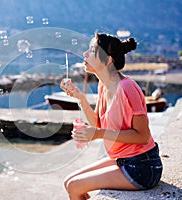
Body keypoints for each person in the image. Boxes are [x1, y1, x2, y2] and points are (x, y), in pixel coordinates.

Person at [60, 33, 163, 200]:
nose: (85, 54)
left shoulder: (128, 87)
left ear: (108, 60)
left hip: (142, 165)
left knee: (74, 186)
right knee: (67, 182)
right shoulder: (104, 86)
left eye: (92, 50)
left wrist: (99, 134)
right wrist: (80, 98)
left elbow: (143, 137)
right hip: (122, 159)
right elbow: (98, 125)